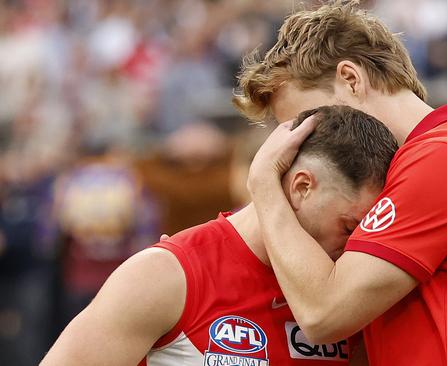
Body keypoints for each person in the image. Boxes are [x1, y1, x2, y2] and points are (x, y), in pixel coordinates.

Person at [236, 2, 447, 365]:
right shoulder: (415, 165)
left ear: (351, 79)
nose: (303, 147)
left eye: (309, 121)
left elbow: (323, 313)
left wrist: (264, 184)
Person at [40, 105, 398, 366]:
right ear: (302, 187)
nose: (354, 246)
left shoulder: (348, 298)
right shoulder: (166, 276)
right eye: (349, 227)